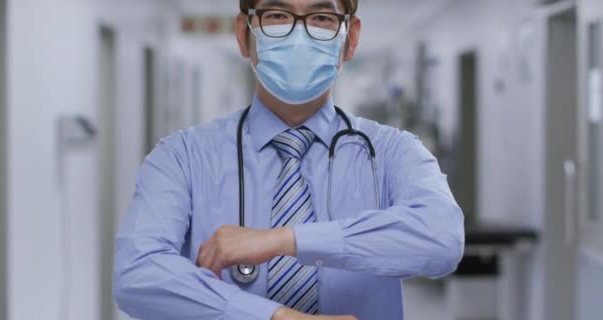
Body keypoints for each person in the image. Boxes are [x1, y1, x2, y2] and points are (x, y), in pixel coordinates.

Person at [113, 0, 465, 319]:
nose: (299, 34)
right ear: (243, 34)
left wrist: (287, 240)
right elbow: (138, 273)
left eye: (322, 17)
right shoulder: (182, 157)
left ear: (351, 38)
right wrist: (272, 317)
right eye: (277, 16)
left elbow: (443, 238)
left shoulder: (391, 152)